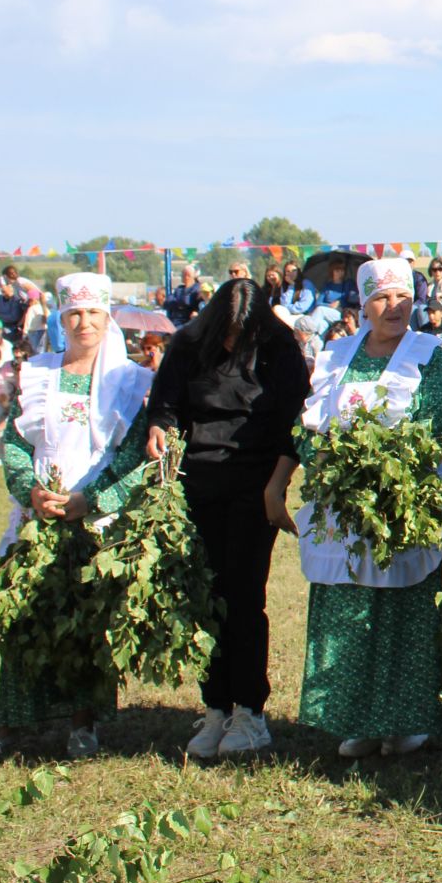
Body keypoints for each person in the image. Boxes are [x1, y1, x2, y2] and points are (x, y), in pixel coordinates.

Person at [0, 274, 155, 763]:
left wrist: (90, 501)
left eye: (93, 312)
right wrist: (31, 491)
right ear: (61, 318)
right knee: (25, 616)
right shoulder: (38, 373)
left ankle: (83, 724)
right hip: (39, 515)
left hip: (94, 521)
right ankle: (8, 724)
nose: (83, 322)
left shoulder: (128, 381)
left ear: (107, 317)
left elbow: (134, 458)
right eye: (74, 314)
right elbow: (15, 444)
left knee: (87, 621)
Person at [294, 258, 442, 761]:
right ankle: (355, 719)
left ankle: (405, 722)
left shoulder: (430, 358)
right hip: (342, 505)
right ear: (362, 305)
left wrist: (389, 480)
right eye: (382, 298)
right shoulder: (338, 356)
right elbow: (309, 427)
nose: (393, 308)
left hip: (400, 503)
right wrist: (322, 461)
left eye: (402, 297)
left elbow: (435, 427)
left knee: (400, 610)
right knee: (351, 609)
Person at [145, 279, 309, 759]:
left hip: (255, 486)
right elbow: (165, 405)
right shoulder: (190, 344)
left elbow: (294, 425)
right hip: (197, 485)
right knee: (207, 598)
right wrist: (160, 428)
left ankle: (250, 714)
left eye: (244, 334)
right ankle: (215, 707)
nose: (235, 342)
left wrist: (276, 487)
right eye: (228, 334)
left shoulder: (279, 349)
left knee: (244, 598)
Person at [0, 266, 30, 341]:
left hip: (12, 328)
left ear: (9, 286)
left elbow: (13, 317)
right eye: (0, 288)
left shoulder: (16, 299)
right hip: (0, 326)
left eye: (3, 287)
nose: (1, 289)